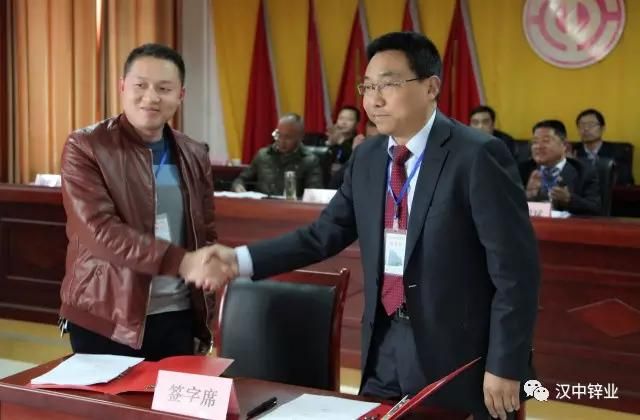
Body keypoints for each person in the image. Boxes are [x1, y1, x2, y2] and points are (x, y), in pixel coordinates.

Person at [211, 32, 539, 419]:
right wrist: (239, 260)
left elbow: (516, 272)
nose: (373, 100)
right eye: (367, 87)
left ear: (431, 87)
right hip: (383, 344)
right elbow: (321, 235)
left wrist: (505, 363)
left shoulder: (477, 155)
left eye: (388, 84)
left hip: (458, 356)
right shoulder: (368, 157)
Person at [59, 44, 232, 361]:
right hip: (107, 315)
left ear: (180, 94)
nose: (151, 97)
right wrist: (181, 262)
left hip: (177, 314)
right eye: (140, 85)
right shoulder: (86, 146)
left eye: (164, 88)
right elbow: (99, 231)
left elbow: (205, 234)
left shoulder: (194, 153)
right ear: (123, 87)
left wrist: (203, 317)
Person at [520, 120, 601, 215]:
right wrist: (526, 197)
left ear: (565, 146)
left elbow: (595, 210)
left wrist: (569, 199)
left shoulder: (583, 171)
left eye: (546, 141)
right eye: (535, 142)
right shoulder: (522, 170)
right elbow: (508, 207)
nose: (538, 146)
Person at [232, 113, 323, 197]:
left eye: (287, 137)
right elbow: (241, 179)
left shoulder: (310, 161)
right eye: (279, 135)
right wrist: (238, 186)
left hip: (291, 207)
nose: (281, 141)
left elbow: (313, 195)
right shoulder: (263, 155)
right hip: (262, 206)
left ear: (300, 137)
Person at [574, 108, 634, 185]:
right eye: (581, 125)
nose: (586, 129)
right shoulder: (573, 152)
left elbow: (626, 183)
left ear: (602, 128)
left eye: (591, 125)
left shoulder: (618, 153)